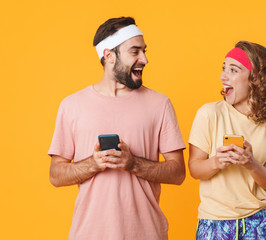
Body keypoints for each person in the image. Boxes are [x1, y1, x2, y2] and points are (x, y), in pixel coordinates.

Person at [48, 17, 186, 240]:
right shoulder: (72, 106)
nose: (145, 59)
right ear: (109, 55)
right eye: (135, 51)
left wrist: (133, 164)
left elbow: (178, 173)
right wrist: (94, 163)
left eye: (144, 51)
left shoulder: (160, 104)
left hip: (147, 234)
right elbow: (56, 175)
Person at [188, 41, 266, 239]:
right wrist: (217, 162)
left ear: (256, 78)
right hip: (215, 223)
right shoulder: (209, 114)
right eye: (224, 69)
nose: (223, 76)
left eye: (233, 70)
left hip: (262, 223)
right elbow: (194, 169)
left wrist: (251, 164)